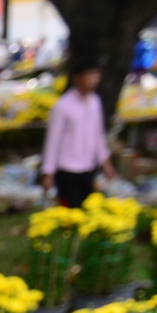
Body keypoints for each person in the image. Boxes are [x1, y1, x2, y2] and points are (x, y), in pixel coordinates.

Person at [43, 61, 117, 209]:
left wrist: (106, 163)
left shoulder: (95, 102)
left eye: (96, 75)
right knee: (71, 210)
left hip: (88, 167)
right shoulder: (63, 106)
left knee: (89, 209)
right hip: (67, 169)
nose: (93, 79)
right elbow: (53, 140)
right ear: (77, 78)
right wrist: (48, 171)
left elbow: (98, 135)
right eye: (89, 75)